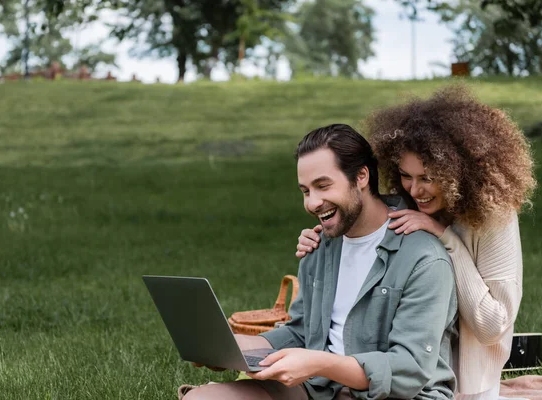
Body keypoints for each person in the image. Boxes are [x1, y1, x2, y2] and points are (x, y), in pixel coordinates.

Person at [184, 123, 458, 400]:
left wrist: (318, 363)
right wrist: (235, 347)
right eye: (305, 191)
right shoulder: (320, 246)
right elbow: (302, 331)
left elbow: (407, 370)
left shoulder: (423, 258)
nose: (313, 203)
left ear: (361, 176)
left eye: (323, 186)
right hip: (321, 390)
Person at [296, 86, 536, 400]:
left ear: (457, 173)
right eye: (406, 175)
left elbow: (493, 325)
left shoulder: (494, 219)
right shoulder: (411, 205)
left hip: (469, 380)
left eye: (427, 177)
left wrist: (445, 238)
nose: (415, 189)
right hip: (408, 376)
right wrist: (323, 233)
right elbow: (362, 221)